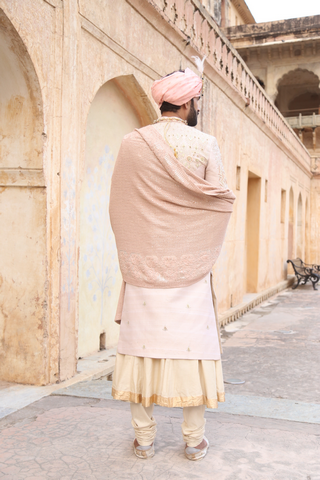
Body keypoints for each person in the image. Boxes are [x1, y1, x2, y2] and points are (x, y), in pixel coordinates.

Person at [109, 66, 235, 461]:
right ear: (186, 102)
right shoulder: (205, 144)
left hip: (143, 270)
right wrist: (194, 242)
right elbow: (217, 200)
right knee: (192, 350)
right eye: (196, 100)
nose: (196, 107)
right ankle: (194, 441)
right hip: (190, 271)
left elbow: (120, 206)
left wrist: (139, 249)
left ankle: (144, 440)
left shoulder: (132, 143)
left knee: (140, 350)